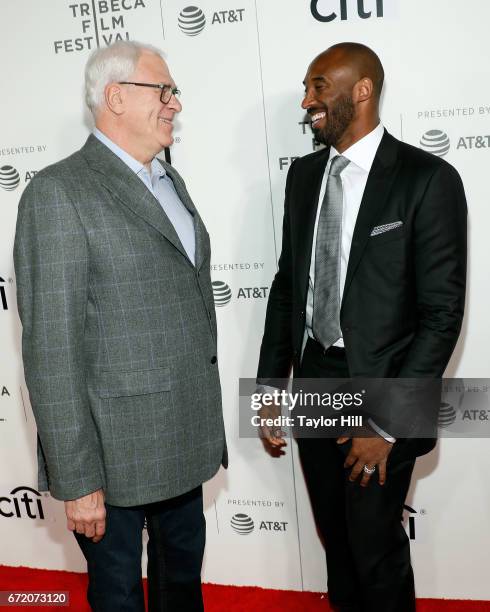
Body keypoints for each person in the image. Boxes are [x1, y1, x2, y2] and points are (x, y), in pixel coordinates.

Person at [14, 40, 226, 612]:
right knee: (118, 600)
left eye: (173, 92)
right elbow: (51, 353)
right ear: (115, 97)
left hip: (183, 443)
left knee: (182, 587)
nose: (174, 104)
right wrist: (78, 479)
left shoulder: (168, 181)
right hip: (114, 462)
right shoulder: (59, 194)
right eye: (164, 90)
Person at [256, 42, 466, 612]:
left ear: (362, 90)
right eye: (306, 87)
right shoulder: (304, 176)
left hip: (384, 385)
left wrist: (390, 420)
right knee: (337, 541)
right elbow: (287, 288)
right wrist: (271, 391)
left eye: (319, 86)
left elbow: (443, 313)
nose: (306, 100)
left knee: (375, 547)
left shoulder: (427, 178)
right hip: (317, 379)